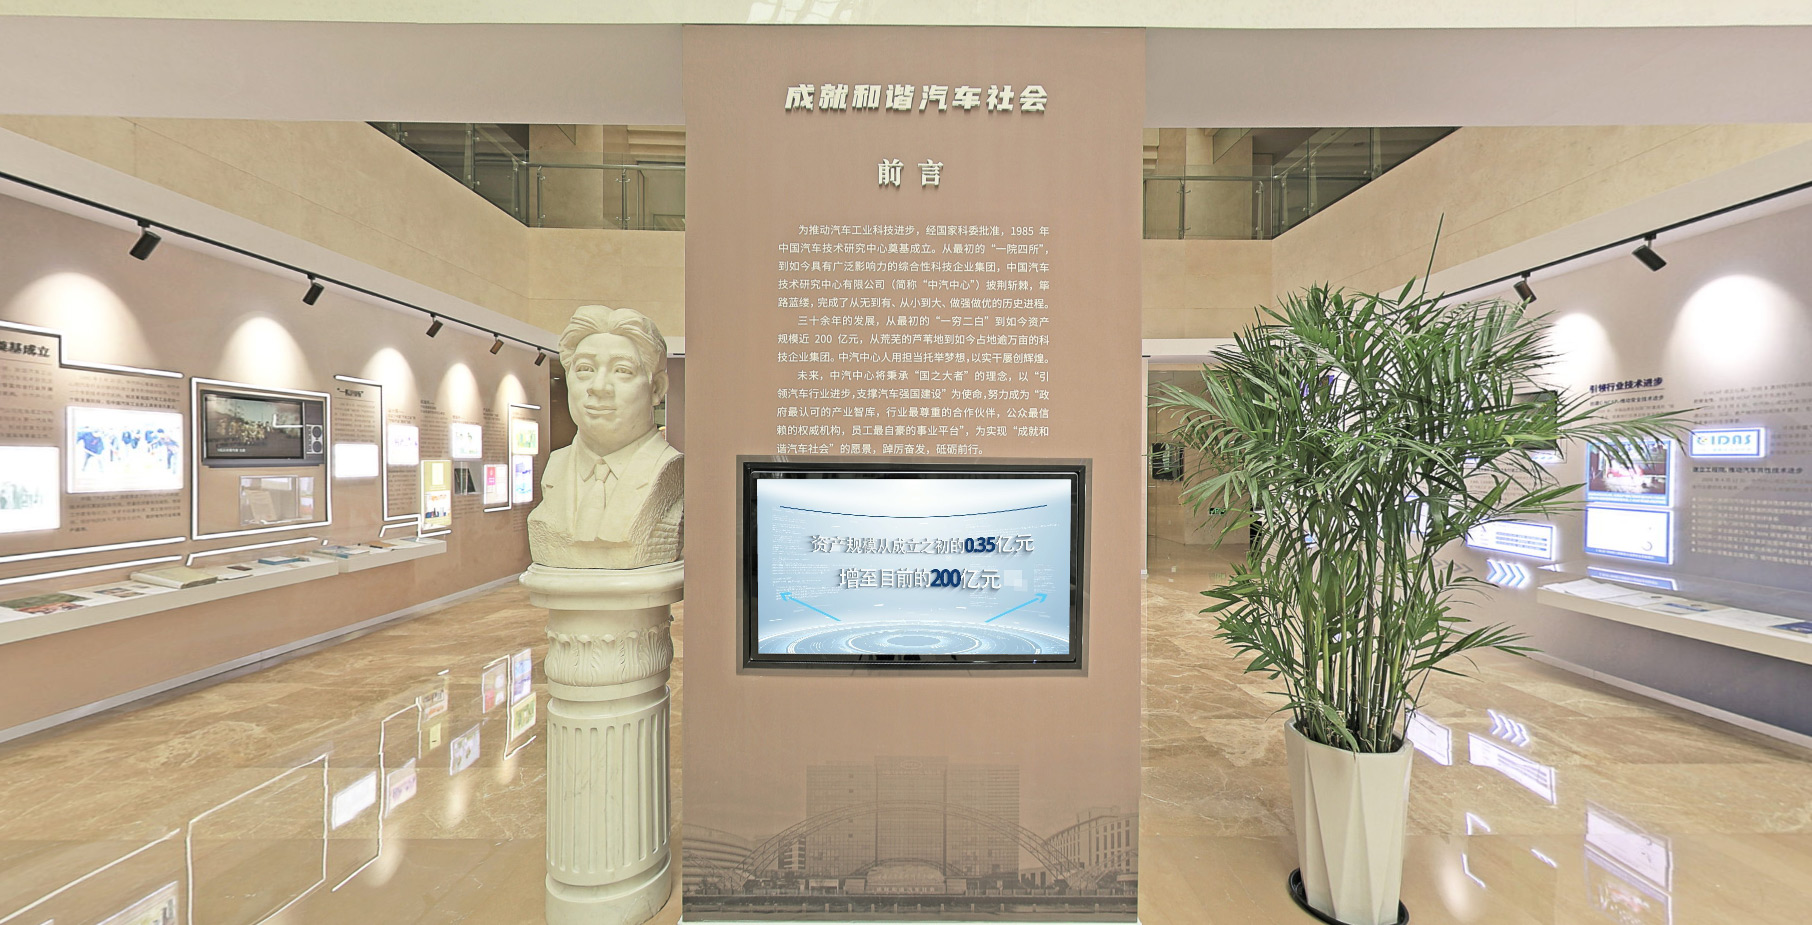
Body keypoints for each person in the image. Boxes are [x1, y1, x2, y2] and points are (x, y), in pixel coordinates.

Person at [527, 306, 683, 569]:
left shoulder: (668, 470)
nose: (599, 387)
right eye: (585, 369)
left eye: (622, 370)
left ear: (656, 388)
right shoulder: (556, 466)